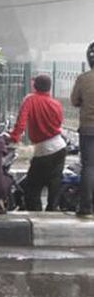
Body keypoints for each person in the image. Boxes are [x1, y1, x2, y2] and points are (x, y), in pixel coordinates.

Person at [8, 74, 66, 211]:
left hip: (43, 150)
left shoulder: (30, 100)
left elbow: (21, 122)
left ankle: (37, 215)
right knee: (54, 183)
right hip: (60, 147)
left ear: (35, 86)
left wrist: (14, 137)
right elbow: (58, 123)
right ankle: (52, 211)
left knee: (32, 188)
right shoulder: (56, 104)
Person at [70, 42, 94, 218]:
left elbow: (74, 101)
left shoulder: (83, 79)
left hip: (87, 129)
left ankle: (86, 206)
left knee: (89, 167)